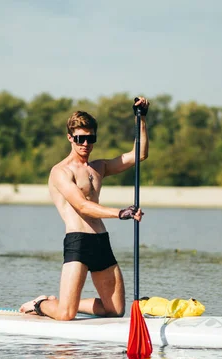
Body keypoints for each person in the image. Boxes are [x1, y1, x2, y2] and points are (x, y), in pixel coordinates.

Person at [19, 97, 150, 320]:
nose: (85, 144)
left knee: (115, 311)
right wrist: (120, 213)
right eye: (80, 138)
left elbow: (139, 155)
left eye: (90, 139)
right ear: (70, 138)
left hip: (101, 242)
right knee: (66, 315)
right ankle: (42, 304)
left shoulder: (99, 167)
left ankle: (66, 302)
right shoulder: (60, 172)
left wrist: (141, 120)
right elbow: (82, 206)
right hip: (78, 242)